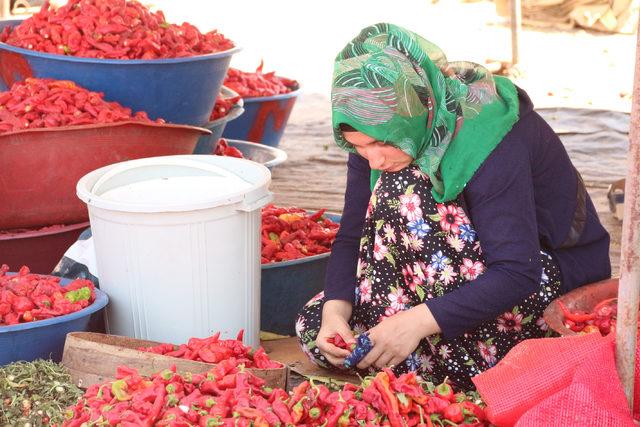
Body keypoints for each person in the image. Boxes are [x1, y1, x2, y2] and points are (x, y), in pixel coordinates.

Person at [295, 23, 611, 390]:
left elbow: (516, 272)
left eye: (379, 143)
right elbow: (353, 234)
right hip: (445, 270)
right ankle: (424, 335)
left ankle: (435, 338)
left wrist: (414, 323)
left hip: (542, 273)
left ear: (416, 108)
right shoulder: (375, 139)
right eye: (359, 146)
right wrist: (336, 310)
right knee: (316, 326)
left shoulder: (490, 137)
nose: (373, 159)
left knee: (404, 187)